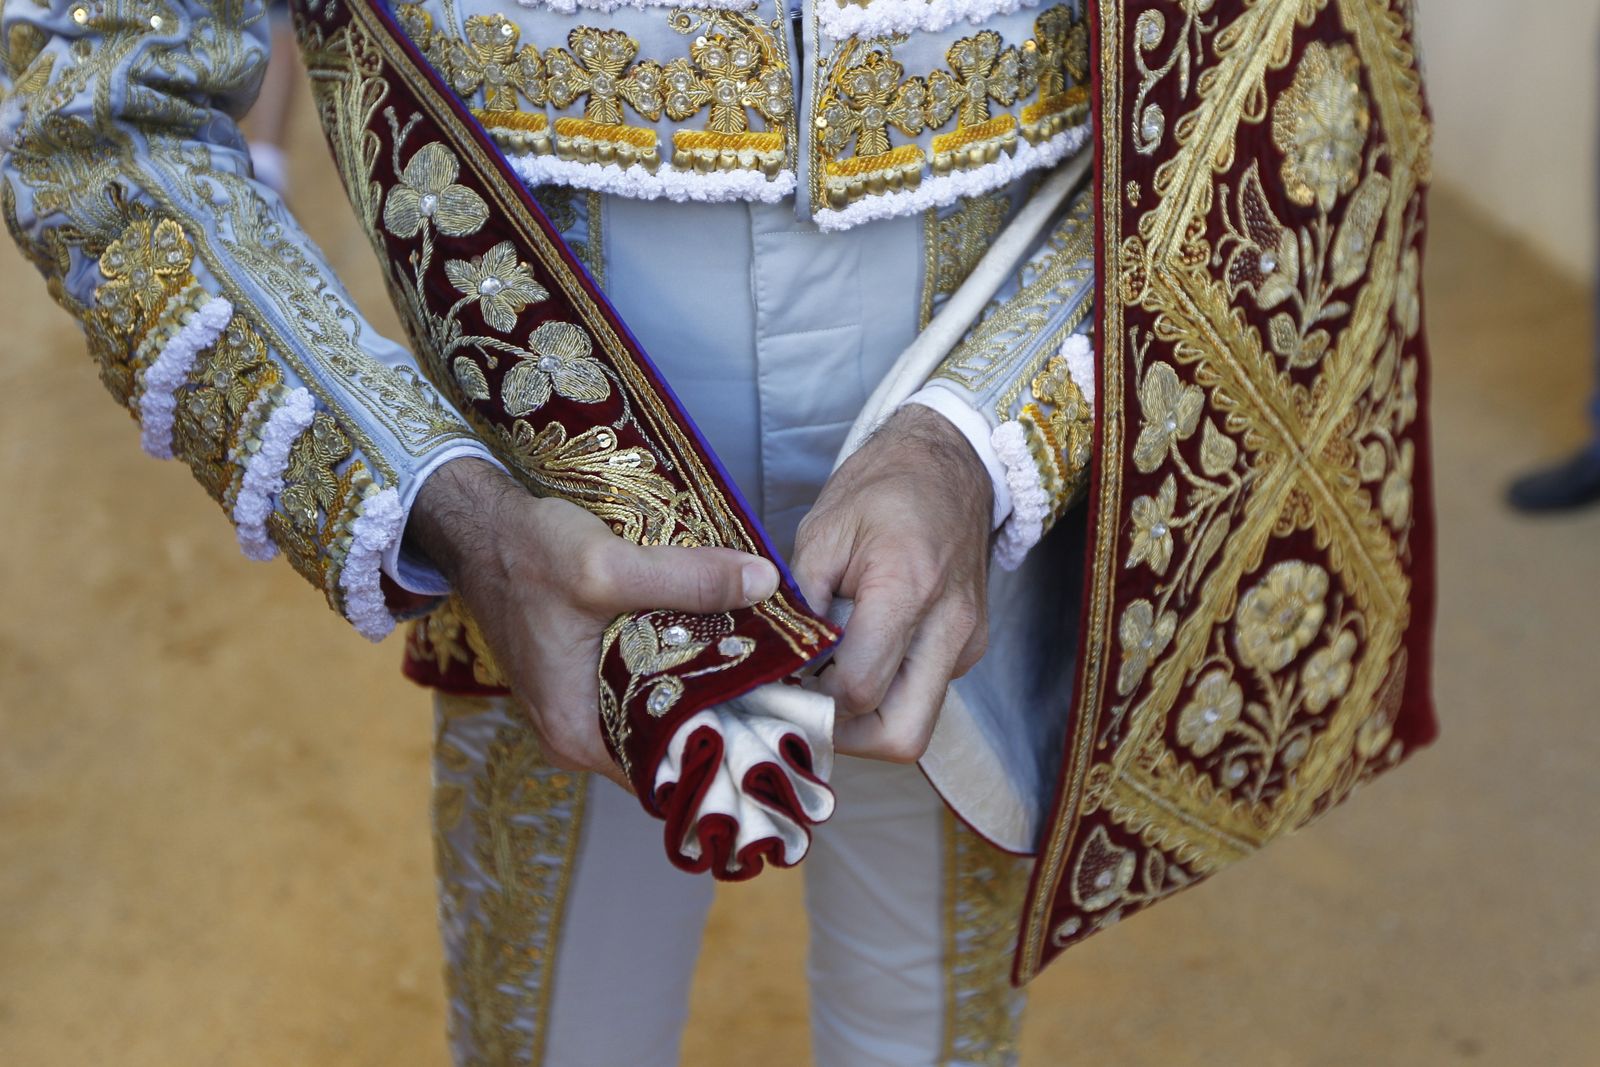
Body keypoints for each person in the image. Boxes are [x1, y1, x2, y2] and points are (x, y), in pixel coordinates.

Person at [0, 0, 1438, 1064]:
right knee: (555, 1032)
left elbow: (1263, 68)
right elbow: (94, 107)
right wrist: (459, 508)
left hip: (958, 470)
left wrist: (984, 438)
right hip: (537, 492)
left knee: (926, 1032)